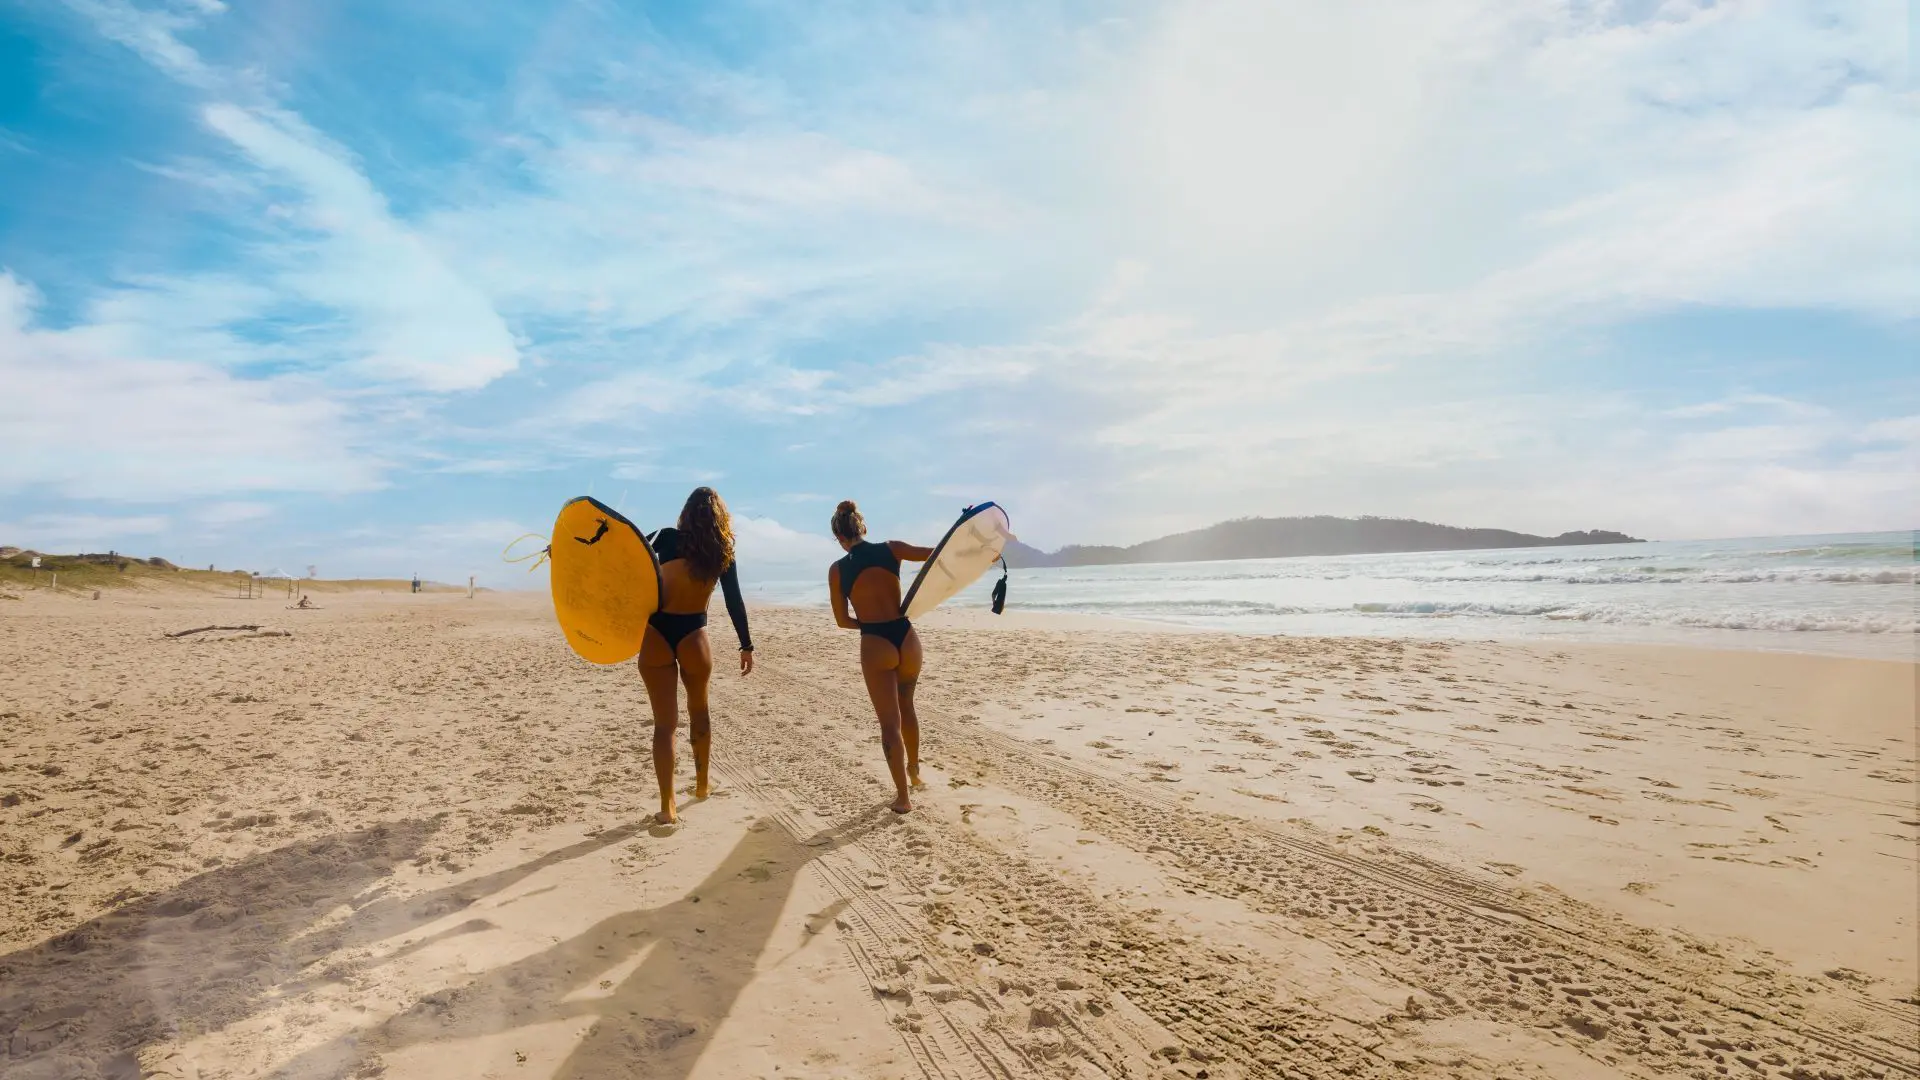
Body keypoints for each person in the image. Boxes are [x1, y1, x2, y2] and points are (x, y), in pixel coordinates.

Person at [639, 487, 754, 825]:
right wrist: (746, 645)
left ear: (685, 513)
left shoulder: (663, 537)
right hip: (693, 636)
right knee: (699, 712)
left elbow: (621, 556)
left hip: (656, 634)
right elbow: (734, 601)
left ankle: (668, 805)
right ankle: (702, 786)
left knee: (664, 725)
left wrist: (570, 552)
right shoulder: (723, 551)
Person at [826, 500, 934, 813]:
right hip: (907, 637)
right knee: (907, 706)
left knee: (890, 723)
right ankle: (914, 772)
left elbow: (842, 620)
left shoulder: (838, 570)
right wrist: (981, 551)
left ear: (840, 538)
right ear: (863, 527)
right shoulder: (893, 549)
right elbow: (938, 554)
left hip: (876, 642)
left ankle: (903, 798)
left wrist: (869, 624)